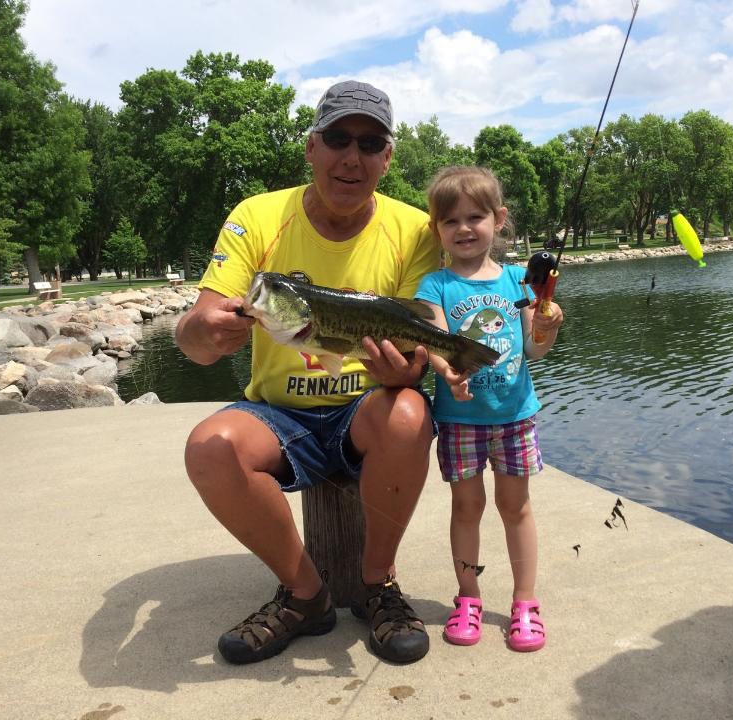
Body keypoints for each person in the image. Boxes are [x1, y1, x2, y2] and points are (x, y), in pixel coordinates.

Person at [174, 80, 439, 665]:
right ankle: (305, 595)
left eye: (370, 143)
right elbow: (197, 335)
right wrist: (200, 332)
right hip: (277, 415)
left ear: (387, 158)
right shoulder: (256, 216)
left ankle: (377, 587)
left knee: (410, 413)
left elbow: (419, 339)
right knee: (209, 447)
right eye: (338, 138)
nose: (353, 155)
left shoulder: (416, 229)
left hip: (362, 410)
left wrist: (408, 371)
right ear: (311, 148)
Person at [413, 166, 564, 651]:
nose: (463, 228)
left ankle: (524, 603)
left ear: (498, 220)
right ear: (437, 228)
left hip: (516, 416)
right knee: (466, 507)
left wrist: (549, 324)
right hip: (460, 420)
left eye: (474, 216)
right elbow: (432, 339)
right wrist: (446, 370)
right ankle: (469, 597)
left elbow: (534, 349)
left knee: (515, 507)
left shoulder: (521, 281)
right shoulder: (434, 285)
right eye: (450, 220)